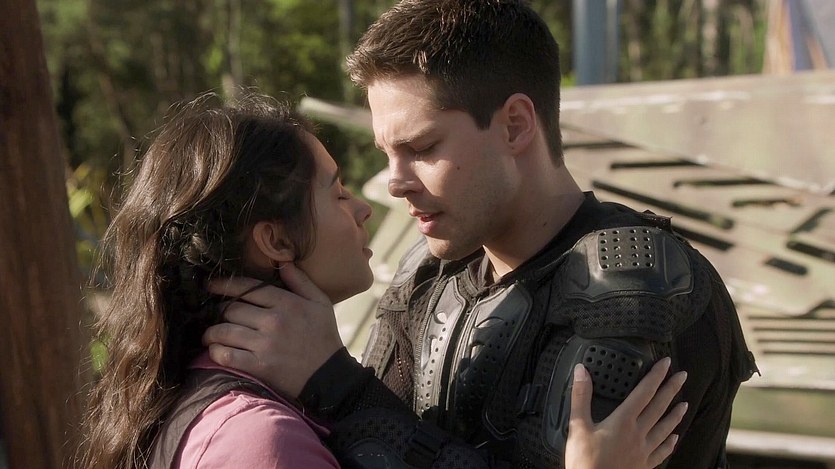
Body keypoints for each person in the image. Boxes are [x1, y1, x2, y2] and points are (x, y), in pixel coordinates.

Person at [204, 0, 759, 468]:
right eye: (387, 153)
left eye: (422, 148)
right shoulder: (427, 274)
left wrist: (333, 383)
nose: (395, 183)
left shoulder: (637, 286)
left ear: (515, 125)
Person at [76, 91, 685, 469]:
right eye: (337, 191)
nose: (371, 202)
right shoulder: (261, 442)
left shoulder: (230, 403)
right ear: (277, 241)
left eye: (423, 146)